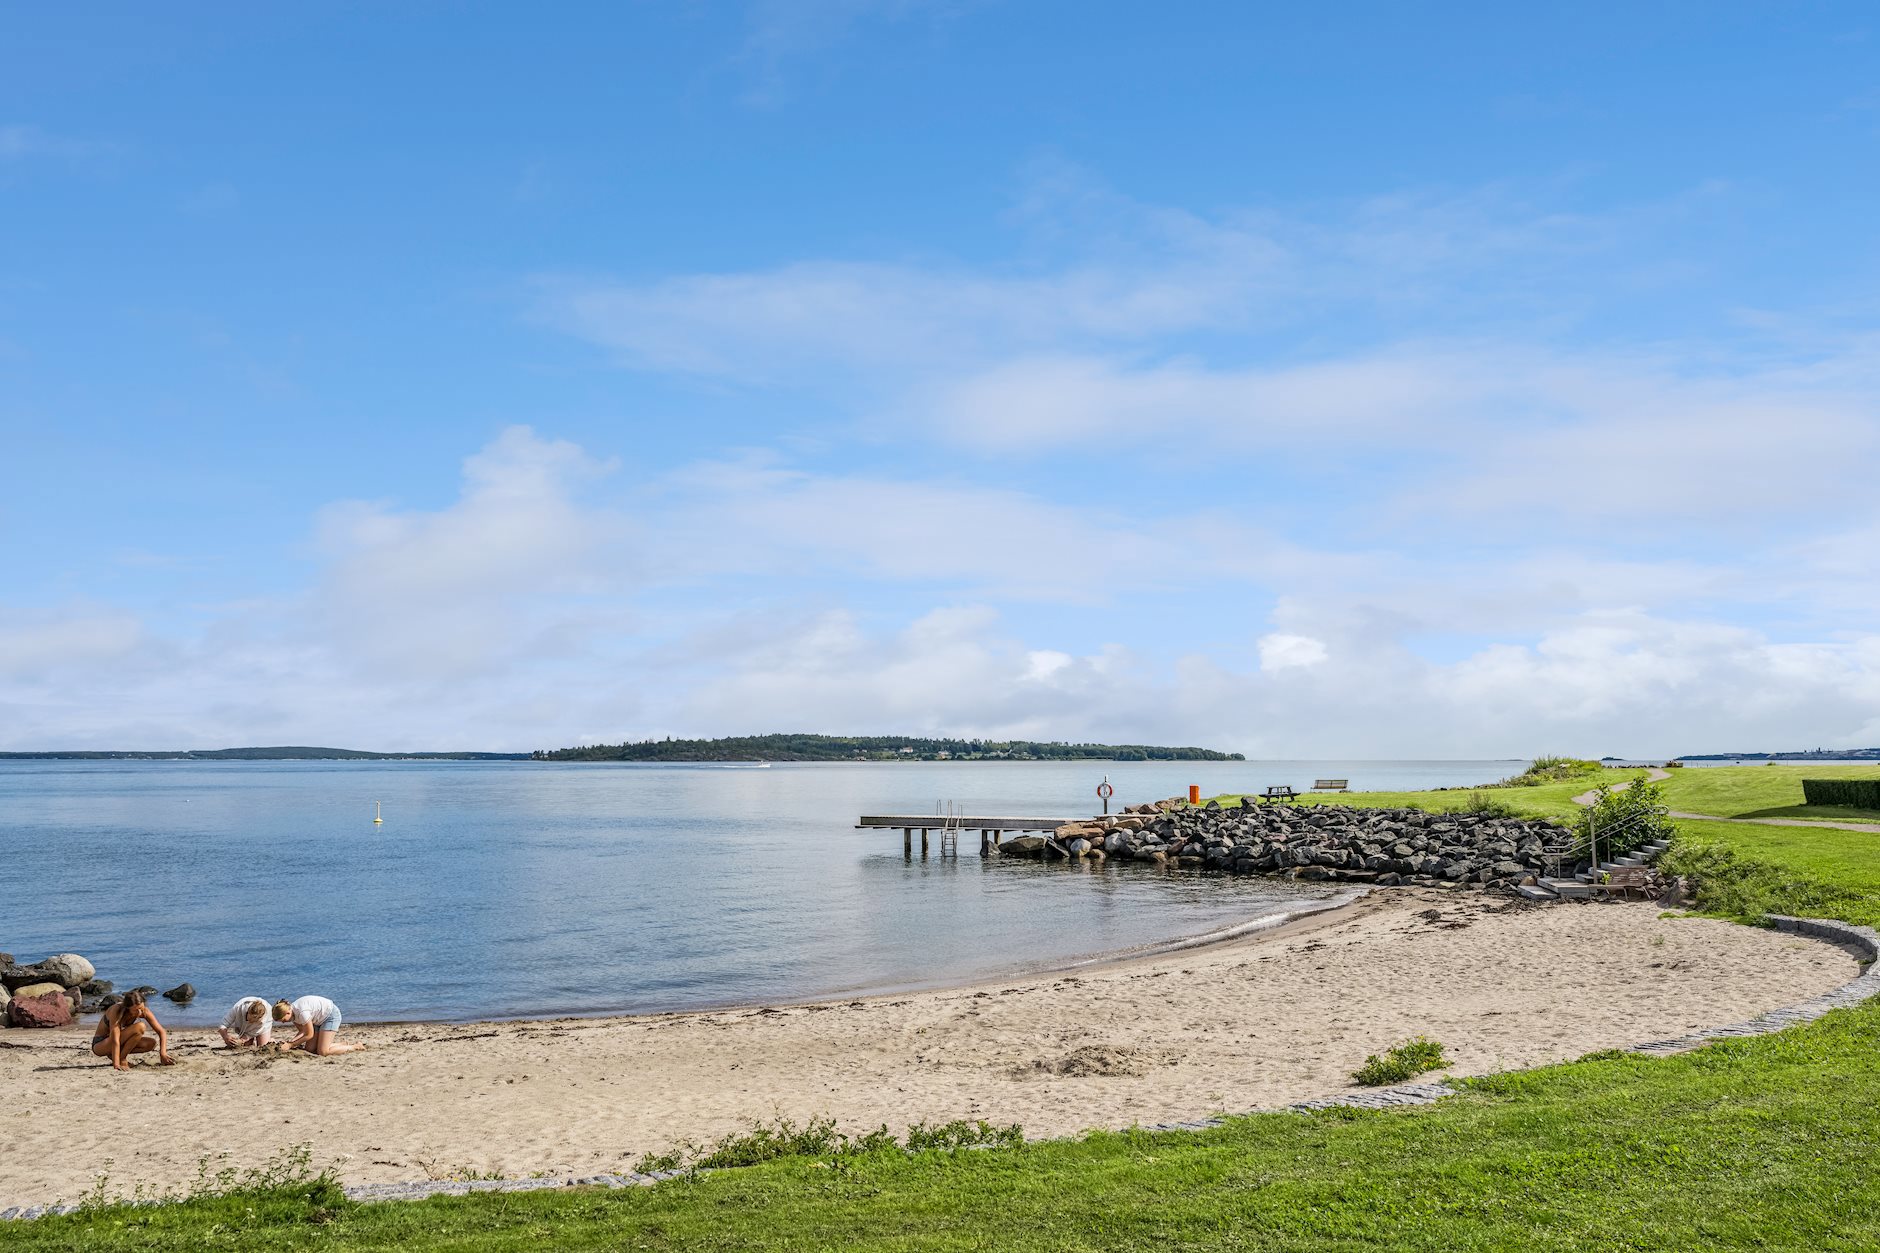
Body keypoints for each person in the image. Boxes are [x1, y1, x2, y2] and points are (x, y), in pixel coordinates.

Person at [90, 988, 175, 1071]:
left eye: (141, 1008)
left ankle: (116, 1055)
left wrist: (163, 1054)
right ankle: (121, 1059)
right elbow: (115, 1039)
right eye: (135, 1010)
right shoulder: (116, 1010)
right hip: (100, 1044)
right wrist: (116, 1064)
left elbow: (161, 1031)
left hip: (117, 1043)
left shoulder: (144, 1011)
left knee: (151, 1043)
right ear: (127, 1008)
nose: (139, 1012)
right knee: (140, 1027)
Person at [272, 995, 363, 1056]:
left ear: (287, 1012)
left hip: (330, 1016)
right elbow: (302, 1031)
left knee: (323, 1052)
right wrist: (290, 1042)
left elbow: (309, 1034)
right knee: (310, 1049)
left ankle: (355, 1046)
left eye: (283, 1020)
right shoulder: (292, 1014)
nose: (283, 1023)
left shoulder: (302, 1012)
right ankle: (341, 1044)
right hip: (316, 1020)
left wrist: (291, 1045)